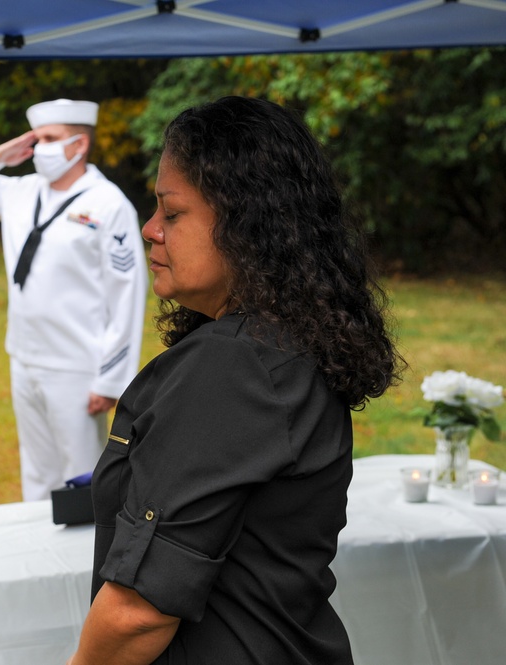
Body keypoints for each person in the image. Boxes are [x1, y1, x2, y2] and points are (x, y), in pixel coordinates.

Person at [68, 96, 404, 664]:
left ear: (250, 223)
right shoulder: (286, 344)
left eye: (171, 214)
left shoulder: (233, 365)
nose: (150, 229)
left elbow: (139, 610)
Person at [0, 99, 147, 501]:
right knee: (36, 474)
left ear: (79, 145)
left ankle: (88, 562)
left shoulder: (108, 203)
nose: (39, 148)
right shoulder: (20, 192)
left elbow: (127, 294)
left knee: (84, 480)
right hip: (25, 356)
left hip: (78, 365)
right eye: (36, 139)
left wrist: (111, 379)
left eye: (49, 139)